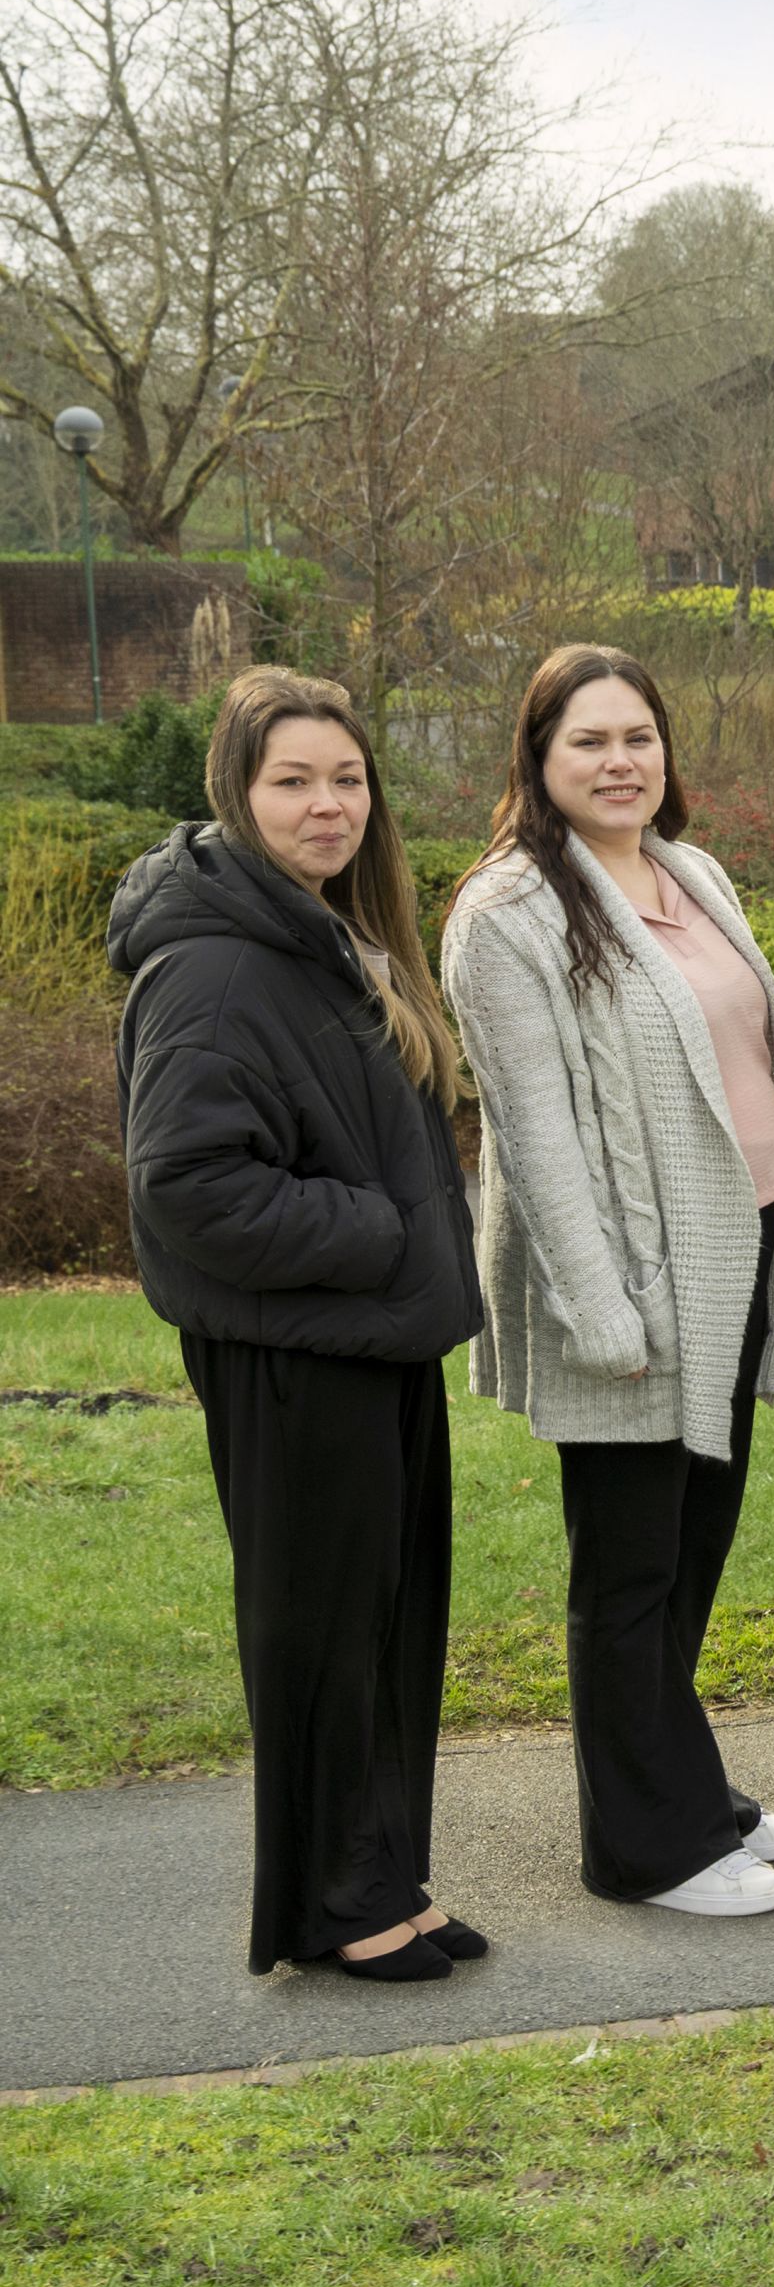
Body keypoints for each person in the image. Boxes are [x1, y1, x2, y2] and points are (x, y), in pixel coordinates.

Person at [442, 646, 774, 1923]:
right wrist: (601, 1306)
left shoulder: (689, 872)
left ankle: (679, 1786)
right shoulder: (506, 915)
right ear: (538, 761)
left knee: (691, 1552)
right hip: (628, 1292)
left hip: (734, 1260)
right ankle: (641, 1850)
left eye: (638, 738)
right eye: (588, 742)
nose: (620, 763)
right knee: (626, 1571)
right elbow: (538, 1132)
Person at [112, 667, 482, 1980]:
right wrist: (383, 1234)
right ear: (235, 790)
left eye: (346, 778)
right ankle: (333, 1906)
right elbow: (189, 1187)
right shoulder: (213, 971)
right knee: (320, 1637)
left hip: (372, 1346)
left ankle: (383, 1874)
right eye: (292, 781)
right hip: (296, 1357)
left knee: (386, 1620)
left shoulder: (327, 935)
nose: (326, 806)